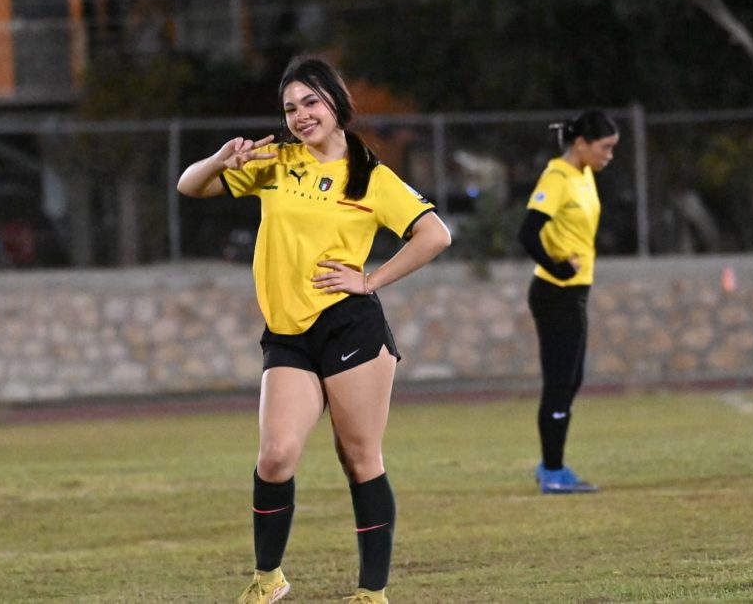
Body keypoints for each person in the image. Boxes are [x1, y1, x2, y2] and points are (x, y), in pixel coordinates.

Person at [177, 56, 451, 604]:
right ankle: (268, 579)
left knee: (359, 458)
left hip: (351, 327)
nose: (301, 115)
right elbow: (190, 187)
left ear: (335, 102)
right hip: (288, 332)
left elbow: (434, 235)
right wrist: (221, 158)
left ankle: (372, 592)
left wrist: (370, 280)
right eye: (290, 107)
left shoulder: (371, 175)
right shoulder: (276, 160)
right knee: (276, 455)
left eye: (310, 102)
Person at [517, 110, 620, 494]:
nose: (609, 155)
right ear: (580, 144)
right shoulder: (557, 177)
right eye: (605, 147)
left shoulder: (584, 174)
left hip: (574, 294)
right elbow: (528, 233)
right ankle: (553, 471)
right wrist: (557, 269)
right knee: (560, 382)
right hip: (555, 293)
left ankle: (551, 467)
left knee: (571, 379)